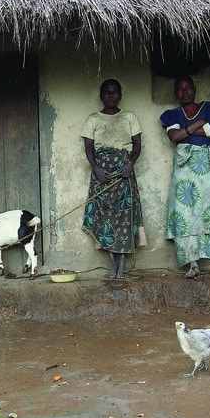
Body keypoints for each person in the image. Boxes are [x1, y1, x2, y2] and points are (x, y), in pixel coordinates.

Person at [160, 75, 210, 279]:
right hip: (183, 171)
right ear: (176, 93)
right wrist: (197, 125)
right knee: (184, 214)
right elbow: (174, 137)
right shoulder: (172, 114)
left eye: (188, 87)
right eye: (180, 89)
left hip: (205, 168)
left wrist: (186, 131)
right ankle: (192, 264)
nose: (184, 92)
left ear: (194, 89)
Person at [81, 78, 143, 279]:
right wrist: (96, 168)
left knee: (125, 216)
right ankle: (112, 263)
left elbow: (137, 146)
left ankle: (123, 263)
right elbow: (89, 148)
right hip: (102, 175)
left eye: (114, 92)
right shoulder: (93, 119)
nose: (110, 95)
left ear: (120, 95)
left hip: (123, 174)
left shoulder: (130, 117)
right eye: (107, 92)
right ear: (101, 96)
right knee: (104, 216)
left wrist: (129, 164)